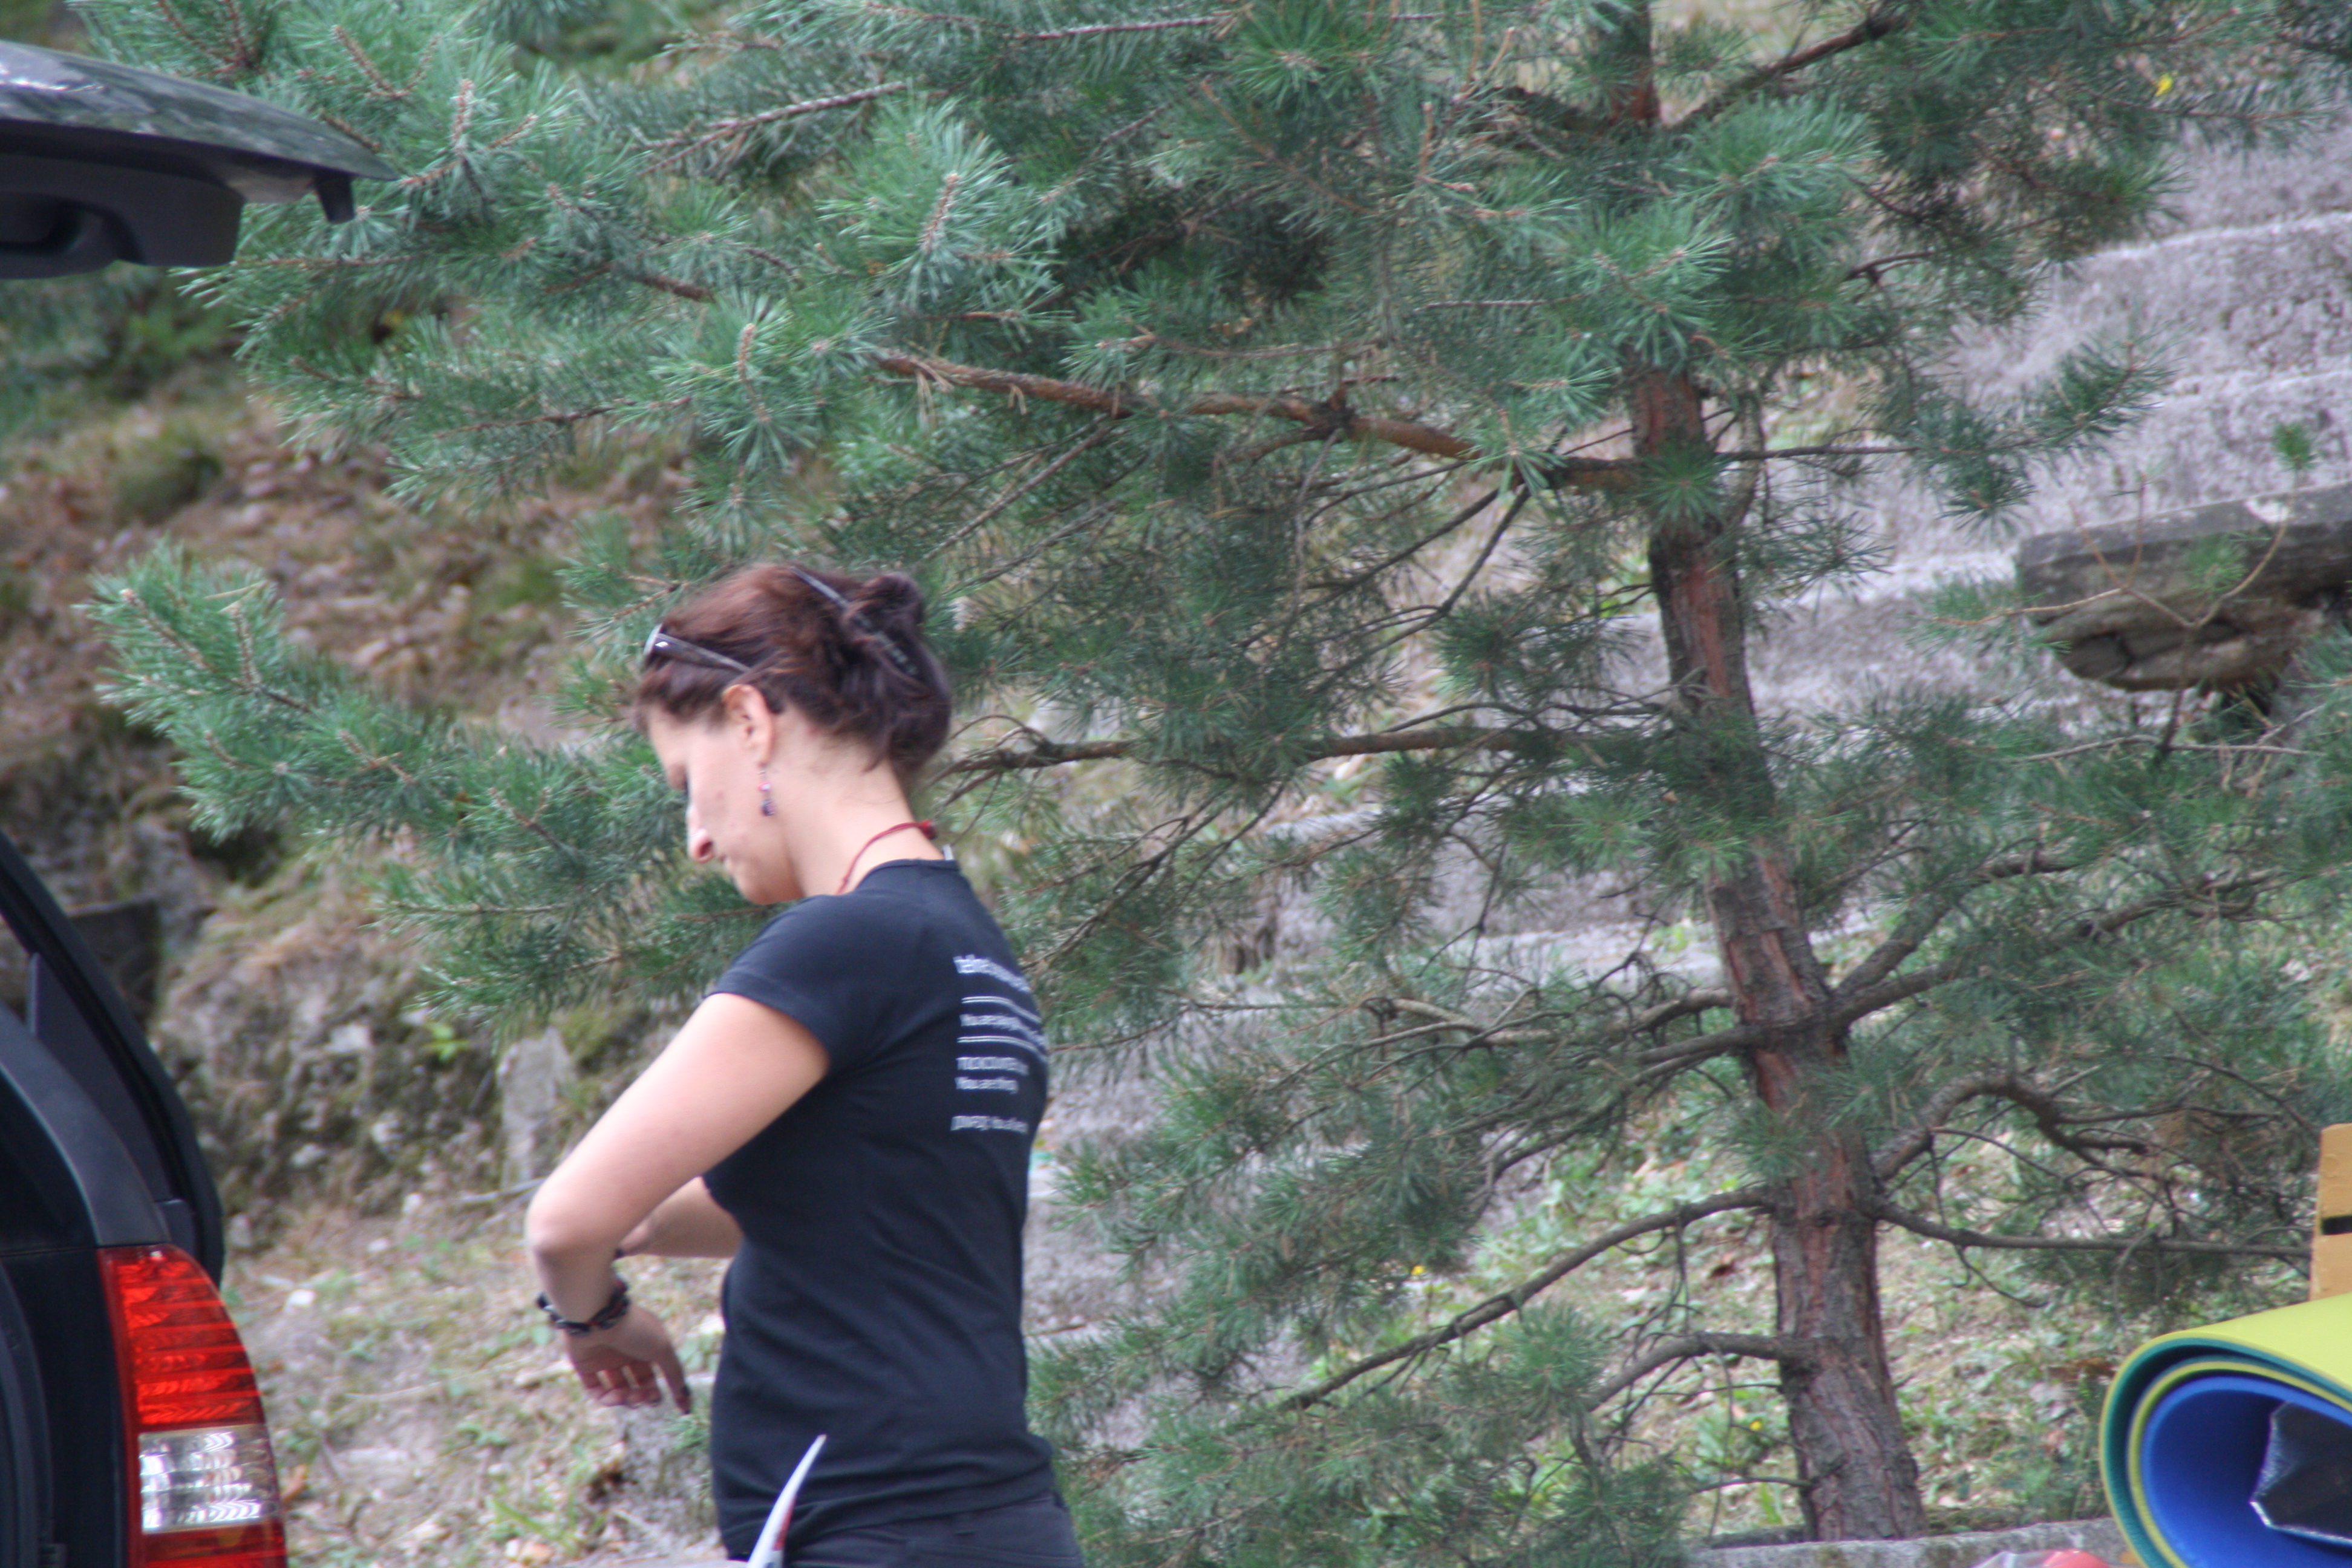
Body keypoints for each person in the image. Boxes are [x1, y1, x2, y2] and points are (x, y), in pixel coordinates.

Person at [522, 563, 1081, 1568]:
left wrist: (592, 1317)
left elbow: (564, 1222)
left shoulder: (843, 943)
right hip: (990, 1521)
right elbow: (854, 1197)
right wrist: (637, 1223)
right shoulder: (969, 948)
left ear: (749, 720)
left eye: (687, 787)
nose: (696, 840)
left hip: (873, 1525)